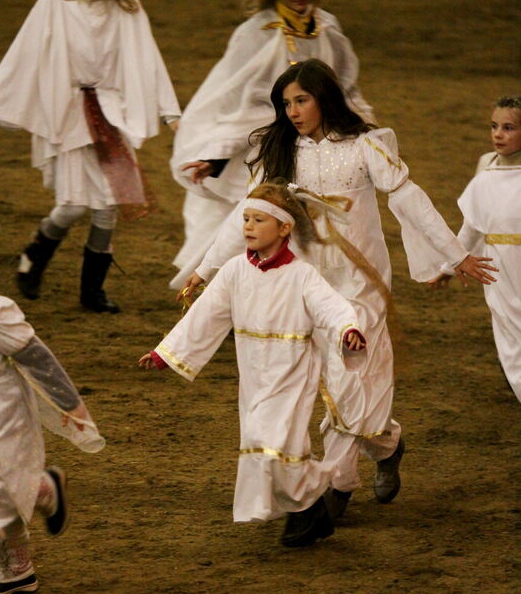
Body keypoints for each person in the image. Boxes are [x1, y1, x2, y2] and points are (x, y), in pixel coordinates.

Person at [180, 59, 497, 518]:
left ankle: (337, 487)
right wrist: (206, 268)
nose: (292, 111)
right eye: (286, 103)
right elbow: (245, 215)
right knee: (334, 386)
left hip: (362, 288)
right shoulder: (280, 154)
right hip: (306, 290)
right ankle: (387, 444)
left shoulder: (366, 147)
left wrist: (455, 254)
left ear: (324, 98)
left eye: (301, 100)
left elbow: (409, 199)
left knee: (348, 379)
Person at [140, 183, 367, 547]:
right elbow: (206, 315)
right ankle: (309, 511)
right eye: (246, 218)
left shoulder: (302, 275)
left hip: (292, 371)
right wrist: (166, 353)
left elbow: (332, 307)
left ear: (284, 228)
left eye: (258, 220)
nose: (248, 226)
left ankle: (306, 510)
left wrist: (347, 330)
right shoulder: (233, 272)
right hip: (254, 373)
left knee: (273, 440)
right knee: (266, 442)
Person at [0, 0, 180, 313]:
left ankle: (92, 292)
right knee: (76, 204)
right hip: (69, 113)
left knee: (108, 205)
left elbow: (147, 60)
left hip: (111, 114)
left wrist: (171, 112)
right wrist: (3, 100)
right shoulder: (53, 1)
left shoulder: (126, 8)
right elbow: (25, 52)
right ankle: (34, 255)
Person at [169, 0, 374, 288]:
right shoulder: (256, 33)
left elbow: (345, 86)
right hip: (264, 148)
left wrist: (364, 131)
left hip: (316, 147)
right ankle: (223, 293)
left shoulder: (328, 28)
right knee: (253, 223)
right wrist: (216, 156)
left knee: (306, 226)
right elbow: (234, 100)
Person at [0, 286, 104, 594]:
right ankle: (18, 568)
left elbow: (39, 360)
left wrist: (71, 407)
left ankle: (41, 490)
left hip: (1, 411)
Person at [429, 95, 520, 401]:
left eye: (509, 127)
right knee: (510, 335)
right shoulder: (485, 180)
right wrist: (448, 268)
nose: (498, 134)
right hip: (500, 272)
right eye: (494, 126)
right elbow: (471, 229)